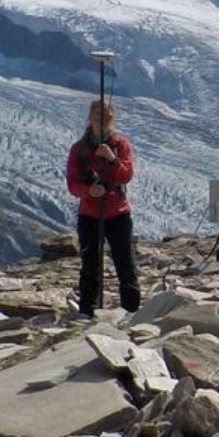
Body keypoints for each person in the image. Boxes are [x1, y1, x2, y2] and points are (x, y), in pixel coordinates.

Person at [65, 100, 139, 316]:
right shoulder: (79, 149)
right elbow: (72, 183)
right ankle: (89, 310)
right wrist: (88, 191)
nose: (103, 119)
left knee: (125, 262)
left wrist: (112, 159)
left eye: (107, 115)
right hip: (90, 214)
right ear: (91, 117)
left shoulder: (120, 145)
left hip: (117, 213)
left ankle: (131, 310)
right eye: (99, 114)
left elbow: (126, 175)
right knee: (90, 264)